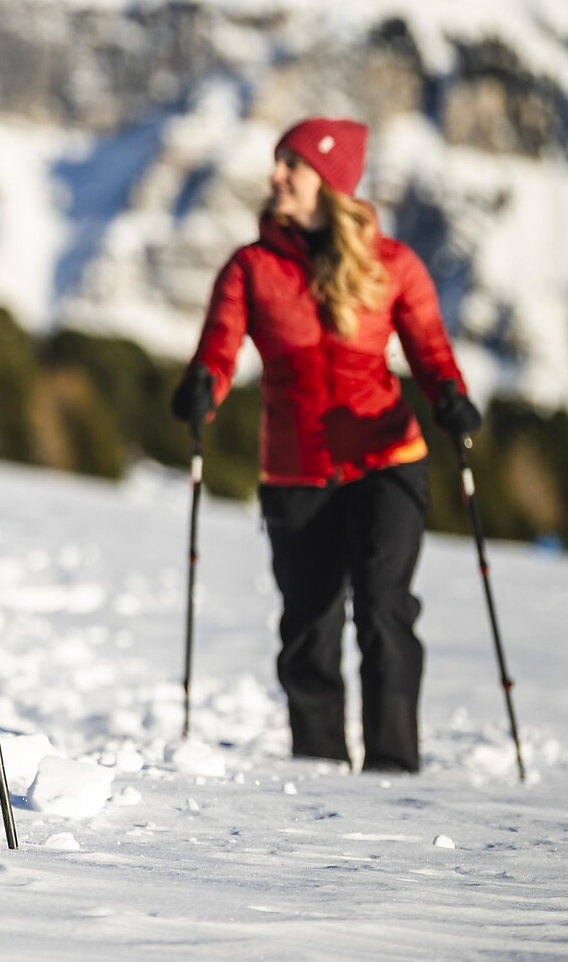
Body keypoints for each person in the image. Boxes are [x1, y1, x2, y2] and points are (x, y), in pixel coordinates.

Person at [171, 117, 480, 773]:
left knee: (384, 605)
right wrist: (204, 385)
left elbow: (429, 348)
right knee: (309, 623)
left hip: (388, 459)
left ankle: (395, 768)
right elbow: (220, 347)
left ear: (331, 182)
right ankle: (318, 771)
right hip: (295, 470)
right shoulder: (251, 267)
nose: (276, 175)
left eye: (293, 164)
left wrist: (449, 395)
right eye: (278, 161)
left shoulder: (392, 265)